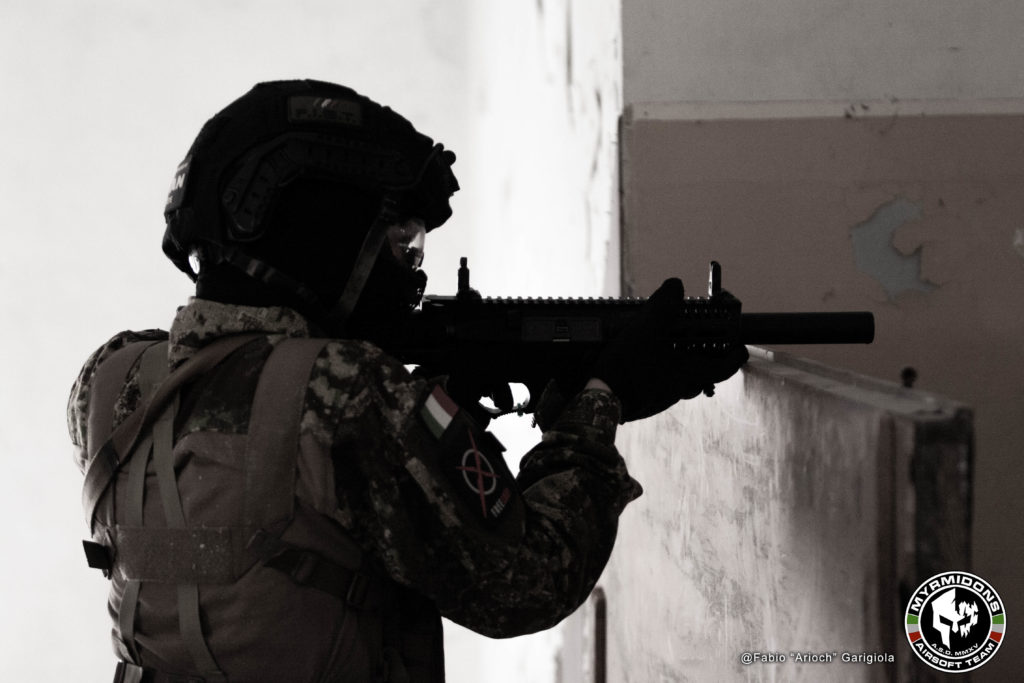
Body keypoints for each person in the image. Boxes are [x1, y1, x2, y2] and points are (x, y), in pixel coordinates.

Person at [67, 79, 748, 683]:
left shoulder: (108, 378)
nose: (411, 271)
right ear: (322, 232)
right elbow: (530, 579)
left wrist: (436, 412)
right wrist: (599, 404)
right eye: (399, 243)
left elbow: (267, 492)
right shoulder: (349, 392)